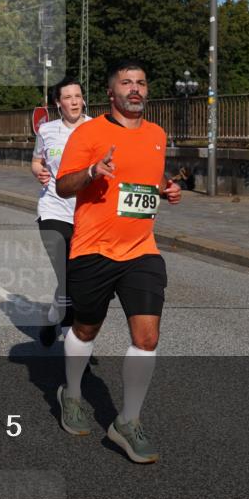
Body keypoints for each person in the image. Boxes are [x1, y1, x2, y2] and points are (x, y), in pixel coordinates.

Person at [54, 59, 182, 464]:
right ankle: (71, 392)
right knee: (86, 328)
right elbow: (63, 183)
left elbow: (145, 182)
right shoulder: (89, 133)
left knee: (147, 337)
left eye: (141, 83)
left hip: (142, 250)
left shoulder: (157, 135)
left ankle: (127, 420)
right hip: (93, 249)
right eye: (126, 83)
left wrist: (166, 189)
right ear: (111, 93)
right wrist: (93, 170)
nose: (135, 89)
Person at [32, 77, 90, 347]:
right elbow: (36, 160)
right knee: (67, 276)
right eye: (68, 97)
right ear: (58, 103)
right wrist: (38, 171)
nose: (74, 101)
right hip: (53, 208)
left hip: (88, 214)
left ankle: (51, 317)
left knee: (79, 278)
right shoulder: (47, 130)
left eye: (78, 96)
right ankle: (73, 345)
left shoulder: (97, 128)